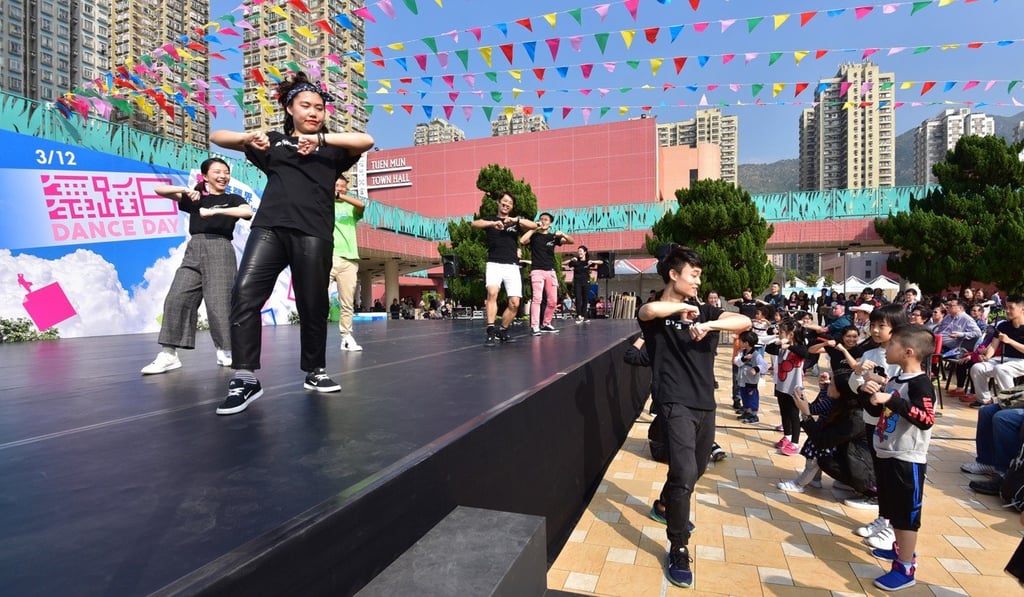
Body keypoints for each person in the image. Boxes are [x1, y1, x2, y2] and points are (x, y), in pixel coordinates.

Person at [209, 71, 374, 415]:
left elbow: (367, 140)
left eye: (319, 107)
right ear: (289, 109)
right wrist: (249, 136)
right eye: (306, 106)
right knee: (244, 294)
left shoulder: (333, 151)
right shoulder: (274, 143)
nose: (314, 112)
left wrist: (323, 142)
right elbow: (217, 136)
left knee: (312, 304)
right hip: (269, 228)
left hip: (314, 232)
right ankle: (245, 377)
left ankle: (315, 371)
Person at [637, 246, 751, 588]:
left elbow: (743, 321)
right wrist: (681, 308)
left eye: (700, 276)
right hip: (674, 401)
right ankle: (678, 547)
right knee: (684, 471)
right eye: (694, 275)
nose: (698, 282)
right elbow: (647, 309)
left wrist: (710, 322)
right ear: (674, 275)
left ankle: (662, 505)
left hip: (705, 401)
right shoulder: (660, 315)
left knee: (697, 468)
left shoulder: (706, 311)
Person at [141, 157, 253, 375]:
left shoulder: (232, 198)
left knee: (219, 303)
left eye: (226, 172)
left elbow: (246, 212)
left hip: (220, 247)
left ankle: (226, 350)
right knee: (177, 297)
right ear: (205, 176)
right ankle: (169, 354)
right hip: (194, 249)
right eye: (218, 172)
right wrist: (186, 190)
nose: (223, 176)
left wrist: (215, 211)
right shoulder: (196, 196)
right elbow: (158, 189)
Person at [865, 324, 936, 591]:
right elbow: (883, 410)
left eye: (891, 344)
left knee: (906, 513)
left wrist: (890, 400)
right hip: (887, 452)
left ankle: (905, 567)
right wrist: (871, 393)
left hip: (907, 458)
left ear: (907, 352)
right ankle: (900, 550)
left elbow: (926, 419)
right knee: (892, 507)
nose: (886, 348)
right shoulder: (895, 380)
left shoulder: (921, 384)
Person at [847, 304, 910, 512]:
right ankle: (879, 499)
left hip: (893, 420)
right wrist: (860, 379)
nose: (874, 330)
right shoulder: (870, 353)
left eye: (881, 325)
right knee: (876, 458)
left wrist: (881, 381)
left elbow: (905, 386)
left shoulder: (904, 356)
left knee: (889, 464)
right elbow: (854, 384)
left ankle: (887, 508)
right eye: (873, 325)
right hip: (872, 417)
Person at [471, 192, 537, 346]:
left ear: (512, 207)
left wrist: (516, 220)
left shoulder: (515, 222)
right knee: (492, 293)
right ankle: (490, 332)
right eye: (504, 201)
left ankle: (503, 330)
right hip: (494, 264)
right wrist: (492, 224)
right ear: (498, 202)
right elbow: (474, 224)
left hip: (512, 266)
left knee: (515, 303)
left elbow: (534, 226)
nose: (506, 204)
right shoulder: (491, 219)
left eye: (510, 203)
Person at [519, 211, 574, 336]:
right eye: (541, 219)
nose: (543, 221)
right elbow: (522, 240)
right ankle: (534, 326)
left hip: (550, 271)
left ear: (550, 223)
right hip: (537, 270)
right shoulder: (534, 236)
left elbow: (571, 241)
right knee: (537, 299)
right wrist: (534, 228)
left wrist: (562, 234)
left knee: (553, 300)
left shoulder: (553, 237)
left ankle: (546, 323)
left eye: (546, 220)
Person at [968, 295, 1024, 407]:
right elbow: (993, 346)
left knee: (1001, 369)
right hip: (1004, 359)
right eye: (1006, 307)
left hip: (1021, 361)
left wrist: (1009, 341)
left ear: (1022, 309)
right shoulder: (1003, 326)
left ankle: (1011, 402)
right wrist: (987, 357)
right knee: (978, 368)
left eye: (1011, 308)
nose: (1007, 311)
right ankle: (984, 400)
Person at [330, 174, 365, 352]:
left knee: (347, 302)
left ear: (346, 188)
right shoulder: (324, 203)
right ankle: (316, 335)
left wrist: (340, 196)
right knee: (319, 298)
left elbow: (362, 205)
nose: (338, 188)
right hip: (329, 256)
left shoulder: (351, 207)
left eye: (342, 186)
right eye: (335, 185)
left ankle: (346, 337)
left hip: (349, 258)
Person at [766, 320, 809, 456]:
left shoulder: (800, 346)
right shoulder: (780, 346)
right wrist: (778, 343)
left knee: (793, 414)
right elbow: (769, 349)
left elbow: (805, 353)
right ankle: (787, 436)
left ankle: (795, 443)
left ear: (790, 334)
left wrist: (788, 346)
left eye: (782, 332)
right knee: (784, 412)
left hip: (794, 387)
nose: (779, 334)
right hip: (781, 385)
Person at [734, 330, 767, 424]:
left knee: (752, 398)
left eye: (741, 341)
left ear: (746, 343)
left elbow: (764, 365)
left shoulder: (756, 355)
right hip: (742, 380)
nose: (739, 343)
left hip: (751, 382)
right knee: (744, 397)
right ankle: (747, 412)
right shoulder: (741, 352)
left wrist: (756, 369)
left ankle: (753, 415)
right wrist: (744, 359)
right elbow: (737, 362)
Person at [565, 246, 603, 323]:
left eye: (581, 251)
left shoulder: (588, 261)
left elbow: (601, 262)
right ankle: (578, 315)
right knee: (578, 299)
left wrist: (592, 261)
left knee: (585, 299)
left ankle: (583, 316)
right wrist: (571, 259)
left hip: (586, 282)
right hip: (577, 282)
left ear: (585, 252)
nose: (579, 252)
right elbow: (563, 263)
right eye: (578, 251)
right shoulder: (575, 261)